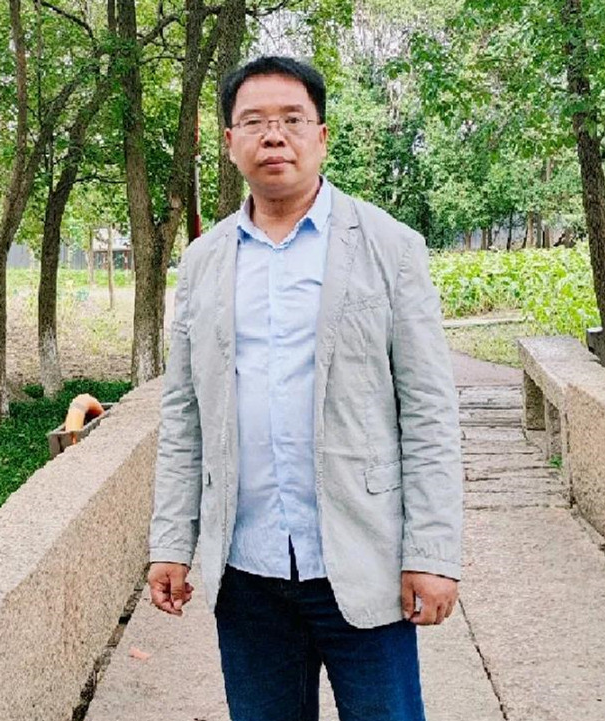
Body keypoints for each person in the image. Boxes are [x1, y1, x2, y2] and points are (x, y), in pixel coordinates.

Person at [147, 55, 463, 721]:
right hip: (247, 569)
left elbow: (429, 410)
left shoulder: (389, 246)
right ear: (229, 141)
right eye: (253, 122)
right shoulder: (203, 262)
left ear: (321, 135)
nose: (273, 135)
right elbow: (183, 415)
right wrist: (171, 542)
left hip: (363, 556)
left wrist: (432, 553)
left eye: (292, 119)